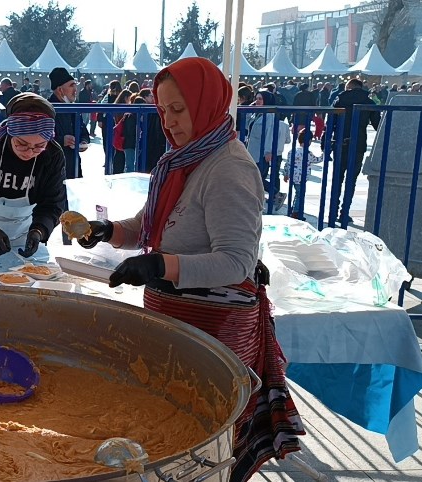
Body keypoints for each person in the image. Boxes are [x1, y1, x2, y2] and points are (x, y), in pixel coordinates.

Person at [75, 57, 304, 482]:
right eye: (162, 110)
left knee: (201, 437)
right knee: (167, 424)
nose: (169, 121)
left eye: (178, 110)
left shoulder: (229, 169)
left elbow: (236, 261)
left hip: (215, 326)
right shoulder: (182, 160)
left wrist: (161, 265)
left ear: (206, 103)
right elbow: (149, 225)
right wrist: (107, 230)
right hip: (175, 318)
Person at [0, 93, 66, 257]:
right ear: (10, 133)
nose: (30, 152)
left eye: (39, 146)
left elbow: (52, 204)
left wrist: (39, 230)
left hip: (24, 231)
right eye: (22, 144)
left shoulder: (53, 156)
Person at [329, 78, 380, 225]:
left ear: (349, 87)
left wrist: (326, 143)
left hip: (340, 143)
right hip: (357, 145)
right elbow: (378, 126)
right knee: (351, 181)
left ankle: (333, 212)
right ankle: (344, 213)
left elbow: (330, 122)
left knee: (337, 179)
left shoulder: (339, 100)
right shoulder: (369, 102)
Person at [281, 129, 323, 220]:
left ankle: (292, 209)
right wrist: (324, 154)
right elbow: (317, 160)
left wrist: (286, 174)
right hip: (302, 178)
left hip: (292, 176)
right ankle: (296, 212)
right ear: (309, 141)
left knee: (296, 193)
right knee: (300, 194)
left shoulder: (292, 151)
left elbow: (288, 163)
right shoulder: (308, 153)